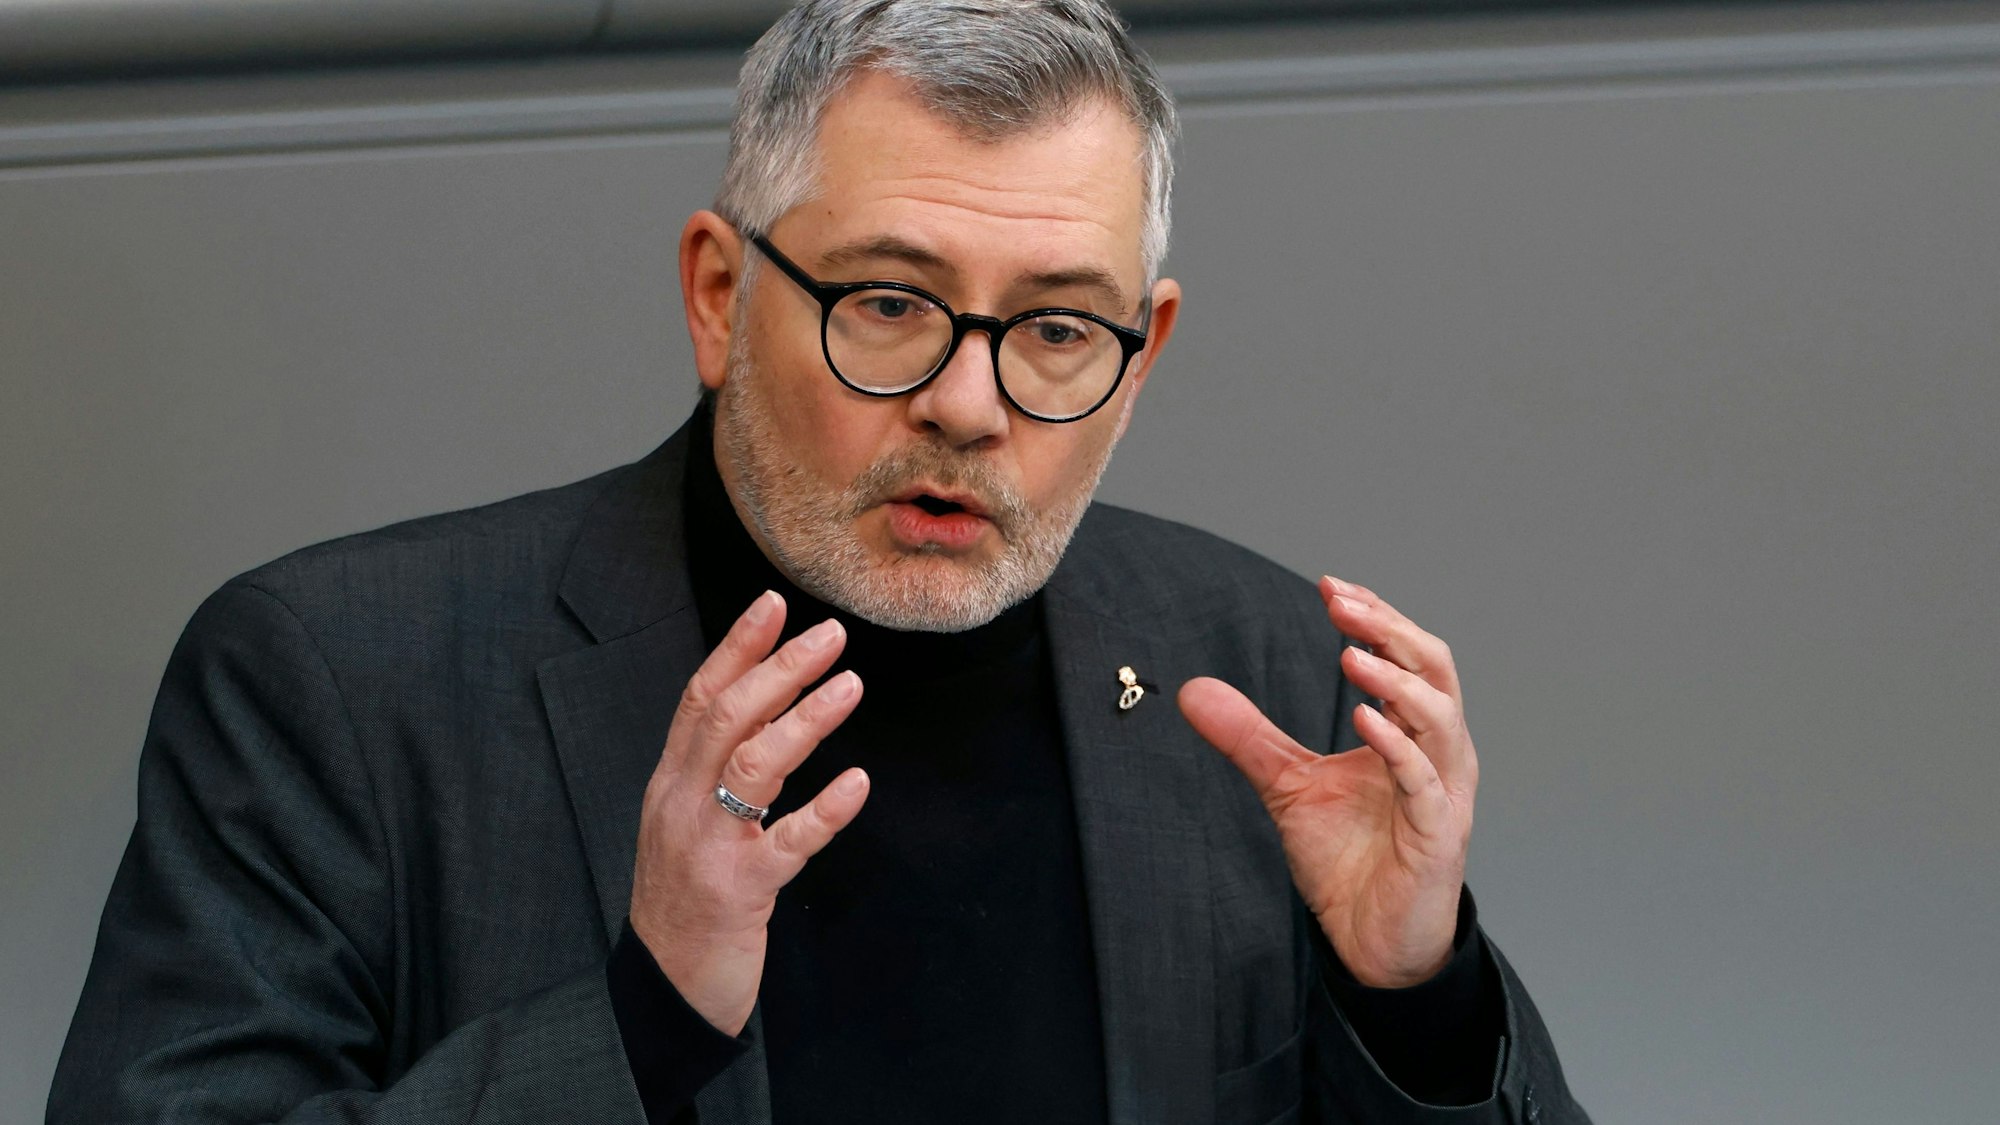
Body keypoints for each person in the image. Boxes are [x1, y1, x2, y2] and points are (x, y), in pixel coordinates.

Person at [49, 1, 1588, 1122]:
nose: (969, 405)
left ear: (1146, 348)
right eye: (892, 306)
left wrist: (1419, 1000)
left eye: (1057, 330)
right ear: (720, 295)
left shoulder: (1262, 675)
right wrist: (637, 1028)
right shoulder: (338, 679)